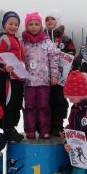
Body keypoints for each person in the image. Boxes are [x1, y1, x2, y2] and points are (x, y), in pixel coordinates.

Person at [22, 12, 59, 140]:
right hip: (29, 82)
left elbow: (54, 59)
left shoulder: (47, 42)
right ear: (26, 26)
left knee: (44, 107)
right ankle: (30, 130)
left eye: (36, 24)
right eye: (30, 24)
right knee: (29, 107)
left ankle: (44, 130)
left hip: (44, 81)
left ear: (40, 26)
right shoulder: (23, 43)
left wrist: (54, 75)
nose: (33, 27)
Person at [0, 11, 25, 143]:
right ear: (4, 24)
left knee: (17, 104)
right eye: (10, 23)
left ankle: (12, 128)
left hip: (18, 78)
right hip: (7, 79)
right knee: (9, 104)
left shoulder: (17, 39)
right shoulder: (2, 37)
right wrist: (5, 67)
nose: (13, 26)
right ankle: (7, 130)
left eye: (16, 24)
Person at [43, 10, 76, 137]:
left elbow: (71, 55)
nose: (49, 21)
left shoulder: (65, 39)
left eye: (52, 19)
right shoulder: (41, 38)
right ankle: (45, 125)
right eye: (47, 19)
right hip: (44, 76)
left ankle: (58, 125)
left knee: (59, 101)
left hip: (61, 78)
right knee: (45, 101)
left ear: (57, 21)